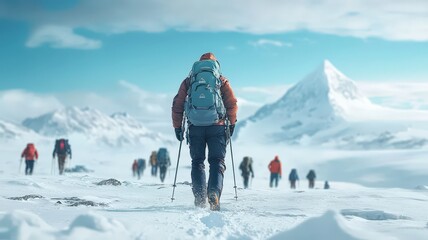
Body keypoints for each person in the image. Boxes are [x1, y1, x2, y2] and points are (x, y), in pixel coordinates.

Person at [172, 52, 238, 211]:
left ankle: (200, 198)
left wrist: (177, 127)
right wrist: (231, 124)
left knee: (197, 162)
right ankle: (214, 193)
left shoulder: (189, 81)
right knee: (217, 162)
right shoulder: (221, 81)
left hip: (195, 126)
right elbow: (232, 103)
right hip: (217, 125)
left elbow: (177, 104)